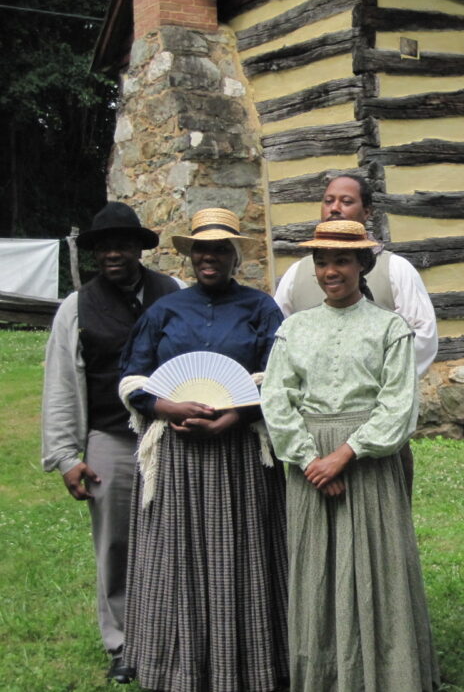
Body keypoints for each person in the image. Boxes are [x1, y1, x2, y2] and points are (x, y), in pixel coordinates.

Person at [261, 219, 438, 691]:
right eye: (321, 262)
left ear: (363, 264)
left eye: (341, 260)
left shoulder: (389, 327)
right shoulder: (294, 329)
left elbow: (399, 404)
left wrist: (346, 453)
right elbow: (277, 400)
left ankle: (386, 675)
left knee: (378, 568)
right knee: (317, 572)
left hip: (368, 464)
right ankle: (324, 677)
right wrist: (307, 459)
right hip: (309, 465)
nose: (329, 271)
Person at [118, 208, 288, 692]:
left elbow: (277, 377)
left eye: (219, 249)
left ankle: (251, 663)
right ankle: (180, 665)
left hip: (239, 457)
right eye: (201, 249)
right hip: (177, 458)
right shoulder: (165, 311)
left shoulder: (261, 309)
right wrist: (165, 405)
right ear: (191, 255)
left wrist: (240, 413)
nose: (209, 257)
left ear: (235, 256)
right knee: (179, 556)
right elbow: (132, 377)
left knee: (244, 555)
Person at [40, 202, 181, 684]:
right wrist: (64, 457)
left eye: (122, 244)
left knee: (173, 538)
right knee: (115, 544)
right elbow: (61, 383)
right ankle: (123, 643)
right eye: (103, 246)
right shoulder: (75, 308)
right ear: (93, 254)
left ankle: (173, 633)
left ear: (140, 249)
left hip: (170, 436)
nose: (113, 253)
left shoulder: (172, 293)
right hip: (111, 437)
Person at [273, 172, 437, 493]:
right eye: (328, 201)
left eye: (346, 201)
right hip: (314, 433)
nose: (335, 208)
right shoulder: (297, 273)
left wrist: (383, 395)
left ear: (367, 212)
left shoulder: (395, 268)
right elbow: (280, 345)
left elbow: (423, 335)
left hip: (376, 426)